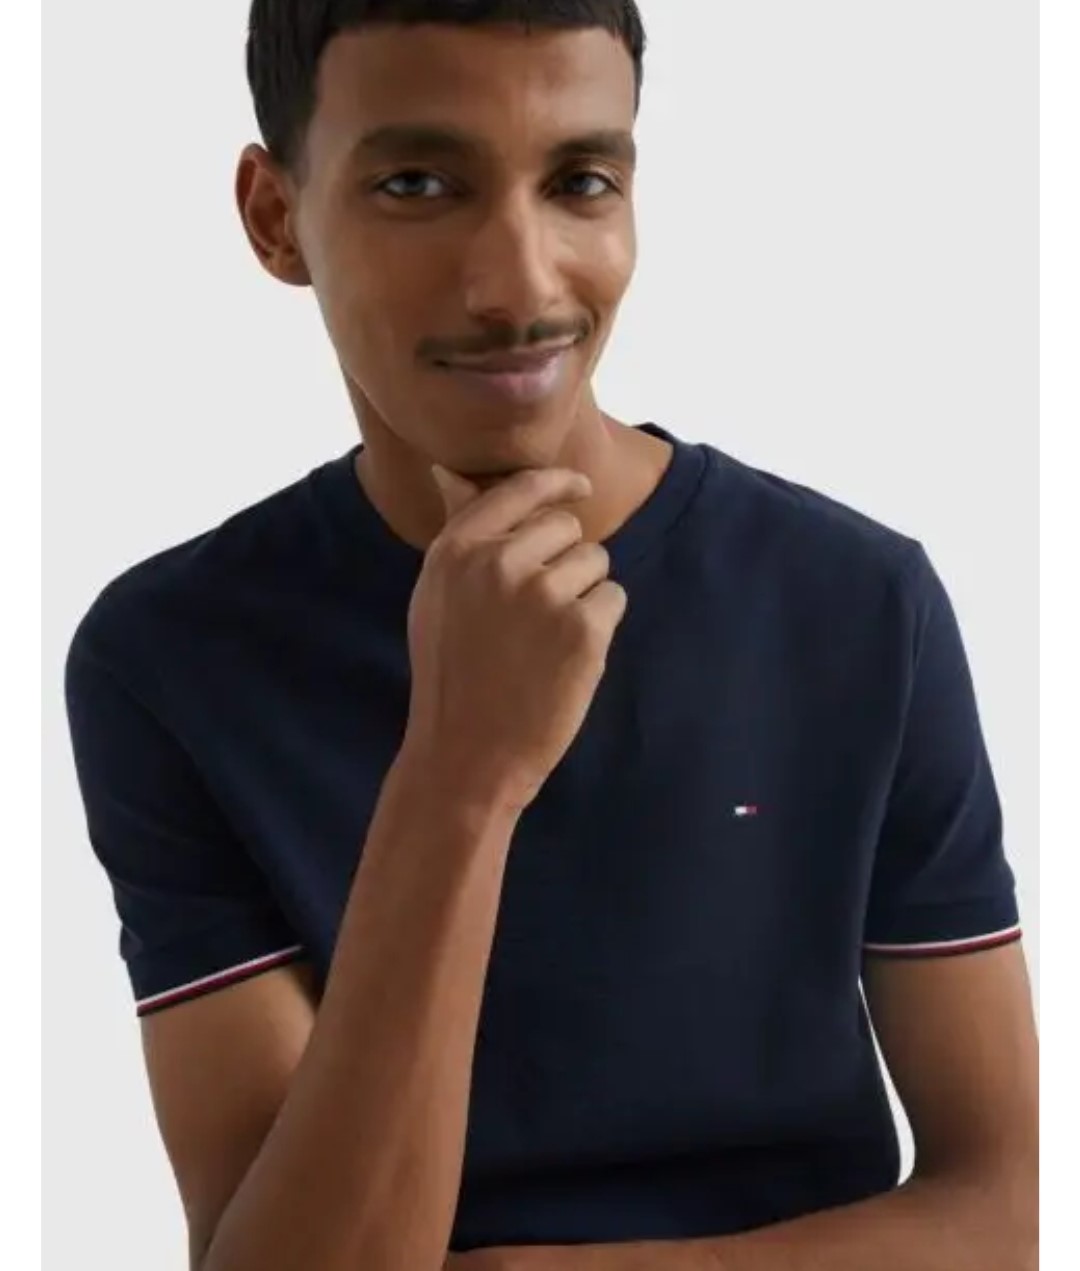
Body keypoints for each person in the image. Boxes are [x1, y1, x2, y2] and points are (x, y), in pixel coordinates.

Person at [63, 3, 1038, 1269]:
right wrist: (460, 777)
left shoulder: (859, 602)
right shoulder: (172, 656)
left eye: (580, 181)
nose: (520, 287)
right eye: (418, 184)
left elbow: (1005, 1213)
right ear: (274, 217)